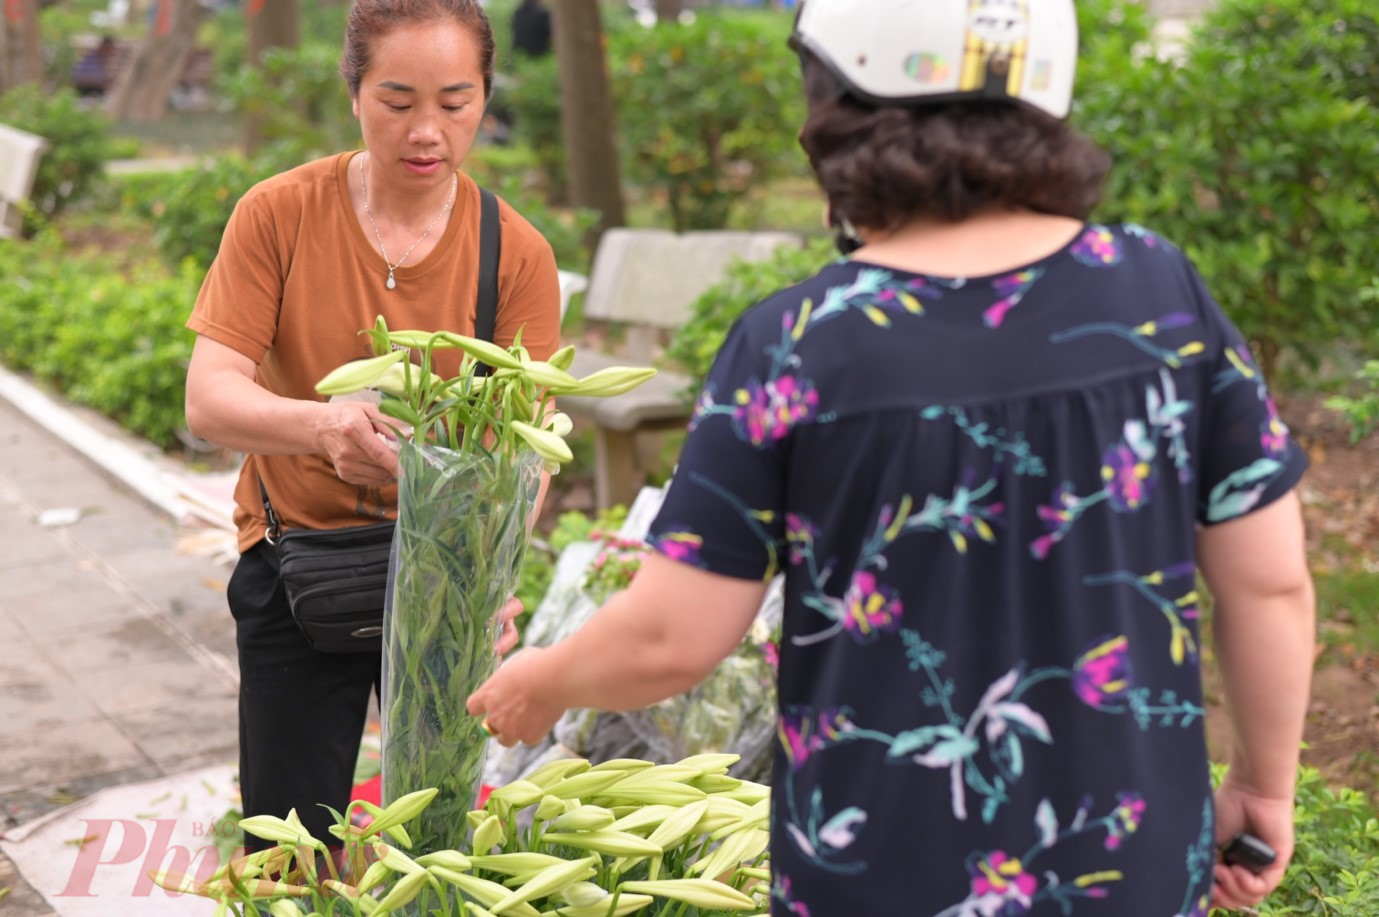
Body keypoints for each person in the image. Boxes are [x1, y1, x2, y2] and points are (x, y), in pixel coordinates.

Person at [466, 1, 1316, 914]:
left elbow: (673, 635)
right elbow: (1268, 582)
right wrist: (1263, 790)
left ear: (839, 102)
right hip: (1127, 864)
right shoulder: (1160, 296)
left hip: (876, 869)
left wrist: (543, 679)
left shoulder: (795, 345)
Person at [184, 0, 562, 850]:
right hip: (294, 561)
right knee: (289, 847)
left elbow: (525, 456)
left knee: (435, 845)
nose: (426, 130)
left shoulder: (516, 253)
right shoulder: (278, 215)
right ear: (354, 92)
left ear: (485, 98)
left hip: (442, 584)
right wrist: (321, 427)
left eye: (455, 102)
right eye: (397, 101)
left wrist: (490, 575)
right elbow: (209, 399)